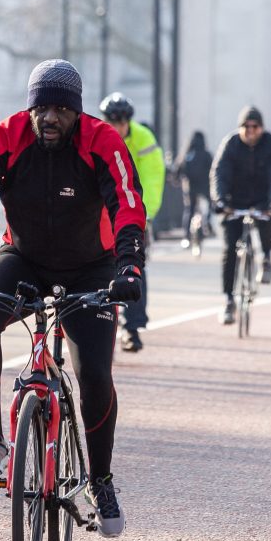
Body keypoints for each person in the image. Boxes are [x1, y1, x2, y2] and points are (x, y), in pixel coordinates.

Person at [0, 60, 145, 537]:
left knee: (95, 375)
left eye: (62, 109)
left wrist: (128, 267)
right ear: (30, 108)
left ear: (77, 113)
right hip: (24, 258)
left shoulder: (102, 142)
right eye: (42, 107)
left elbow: (126, 204)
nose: (50, 118)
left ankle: (100, 480)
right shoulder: (4, 139)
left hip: (93, 268)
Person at [100, 92, 164, 353]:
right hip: (102, 213)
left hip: (134, 210)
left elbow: (153, 178)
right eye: (111, 121)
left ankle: (133, 328)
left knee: (133, 266)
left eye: (121, 122)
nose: (116, 127)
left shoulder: (143, 139)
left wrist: (143, 214)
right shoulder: (96, 136)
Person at [212, 106, 271, 324]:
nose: (250, 130)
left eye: (255, 126)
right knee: (230, 251)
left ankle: (266, 257)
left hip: (262, 199)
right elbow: (219, 172)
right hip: (234, 201)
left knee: (265, 221)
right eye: (246, 126)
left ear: (261, 128)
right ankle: (228, 300)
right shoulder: (231, 145)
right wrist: (220, 200)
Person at [177, 130, 214, 247]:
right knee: (210, 205)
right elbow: (213, 170)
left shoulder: (187, 154)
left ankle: (186, 236)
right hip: (204, 187)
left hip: (190, 187)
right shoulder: (206, 154)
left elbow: (178, 170)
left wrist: (178, 179)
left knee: (189, 210)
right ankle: (207, 223)